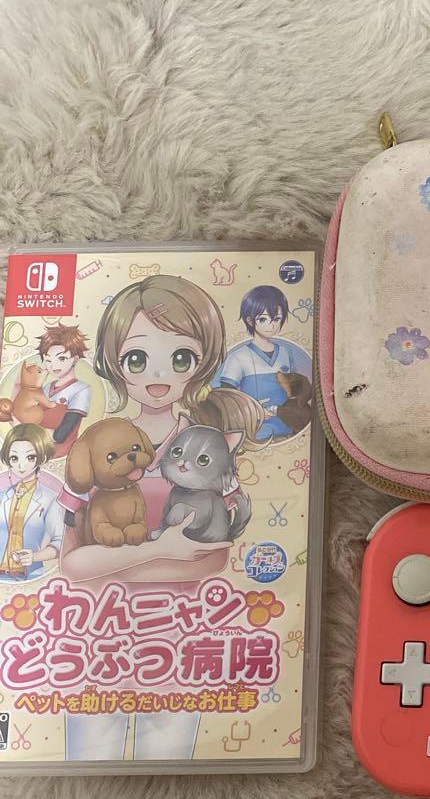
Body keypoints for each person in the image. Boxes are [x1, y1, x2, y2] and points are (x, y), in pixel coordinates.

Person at [61, 274, 264, 762]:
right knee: (88, 767)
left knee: (171, 771)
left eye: (180, 358)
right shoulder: (96, 444)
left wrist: (114, 563)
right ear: (113, 362)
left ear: (202, 363)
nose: (157, 374)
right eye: (137, 358)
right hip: (96, 640)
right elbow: (72, 566)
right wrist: (161, 551)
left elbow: (209, 560)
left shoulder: (207, 447)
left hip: (181, 642)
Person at [214, 285, 312, 440]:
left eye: (276, 319)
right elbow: (226, 397)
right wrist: (253, 411)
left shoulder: (285, 353)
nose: (271, 325)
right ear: (249, 320)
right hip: (255, 433)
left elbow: (295, 392)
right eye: (263, 319)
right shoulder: (238, 357)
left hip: (289, 430)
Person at [0, 424, 64, 581]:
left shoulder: (50, 498)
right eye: (14, 458)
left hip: (31, 575)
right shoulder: (2, 496)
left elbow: (60, 542)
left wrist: (35, 556)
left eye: (30, 457)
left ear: (42, 458)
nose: (21, 466)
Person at [37, 324, 92, 457]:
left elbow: (61, 435)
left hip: (62, 453)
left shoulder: (81, 389)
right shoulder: (46, 387)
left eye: (61, 358)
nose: (54, 365)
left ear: (75, 359)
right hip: (37, 450)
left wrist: (33, 431)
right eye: (48, 360)